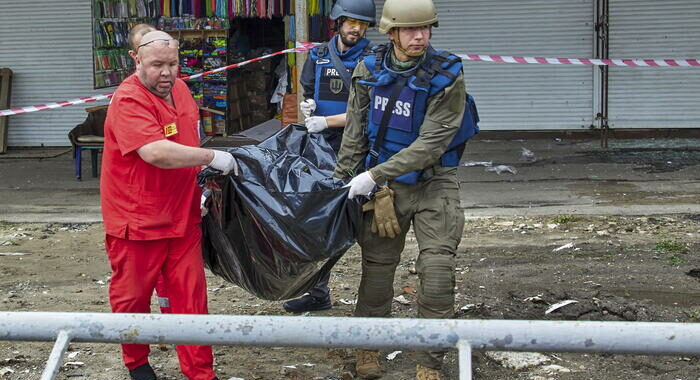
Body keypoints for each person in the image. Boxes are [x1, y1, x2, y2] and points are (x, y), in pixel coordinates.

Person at [333, 0, 478, 378]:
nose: (420, 36)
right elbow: (355, 132)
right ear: (391, 32)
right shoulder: (368, 69)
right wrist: (344, 178)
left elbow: (432, 143)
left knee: (437, 270)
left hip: (435, 182)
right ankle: (369, 349)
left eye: (427, 28)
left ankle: (429, 361)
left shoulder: (447, 74)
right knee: (377, 269)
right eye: (412, 30)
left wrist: (374, 175)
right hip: (387, 187)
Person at [101, 30, 236, 380]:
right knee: (132, 298)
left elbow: (187, 139)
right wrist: (213, 157)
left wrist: (202, 184)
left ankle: (201, 373)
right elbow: (156, 152)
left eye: (173, 64)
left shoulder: (179, 88)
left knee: (191, 300)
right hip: (137, 223)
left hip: (183, 217)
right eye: (156, 65)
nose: (166, 72)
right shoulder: (128, 99)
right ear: (136, 61)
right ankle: (137, 363)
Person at [282, 0, 377, 314]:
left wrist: (328, 121)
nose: (356, 28)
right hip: (320, 150)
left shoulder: (374, 59)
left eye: (362, 24)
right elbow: (307, 90)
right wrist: (308, 107)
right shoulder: (320, 54)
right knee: (316, 222)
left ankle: (373, 303)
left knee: (356, 225)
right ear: (338, 21)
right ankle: (317, 291)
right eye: (351, 21)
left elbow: (368, 113)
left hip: (357, 153)